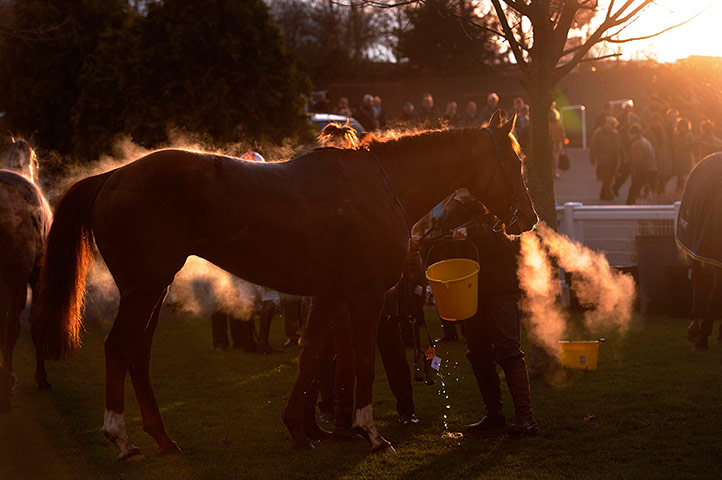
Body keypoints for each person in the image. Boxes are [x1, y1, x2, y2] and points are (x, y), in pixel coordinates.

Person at [430, 191, 537, 437]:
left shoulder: (498, 201)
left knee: (508, 350)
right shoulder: (453, 208)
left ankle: (525, 417)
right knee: (478, 354)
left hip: (500, 288)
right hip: (469, 289)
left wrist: (472, 233)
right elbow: (445, 241)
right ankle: (494, 415)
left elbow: (508, 236)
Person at [590, 116, 624, 201]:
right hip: (603, 159)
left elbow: (619, 146)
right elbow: (593, 145)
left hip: (613, 160)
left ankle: (603, 195)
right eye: (610, 124)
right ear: (606, 124)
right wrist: (592, 157)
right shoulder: (599, 133)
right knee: (606, 178)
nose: (611, 127)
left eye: (613, 125)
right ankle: (609, 195)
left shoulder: (615, 134)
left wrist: (623, 156)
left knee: (609, 178)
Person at [626, 123, 657, 205]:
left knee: (633, 190)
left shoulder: (637, 144)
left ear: (634, 134)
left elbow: (637, 161)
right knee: (650, 190)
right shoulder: (645, 141)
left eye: (630, 133)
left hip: (644, 170)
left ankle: (629, 207)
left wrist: (635, 172)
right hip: (651, 169)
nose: (628, 136)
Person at [673, 117, 696, 193]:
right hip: (680, 159)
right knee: (681, 177)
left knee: (688, 176)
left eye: (684, 126)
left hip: (688, 159)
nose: (682, 128)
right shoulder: (676, 136)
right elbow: (678, 146)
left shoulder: (689, 135)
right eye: (681, 126)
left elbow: (691, 146)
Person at [549, 108, 566, 177]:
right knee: (555, 158)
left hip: (551, 143)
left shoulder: (548, 124)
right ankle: (554, 172)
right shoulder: (559, 124)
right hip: (556, 143)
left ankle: (552, 172)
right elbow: (563, 134)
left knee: (552, 158)